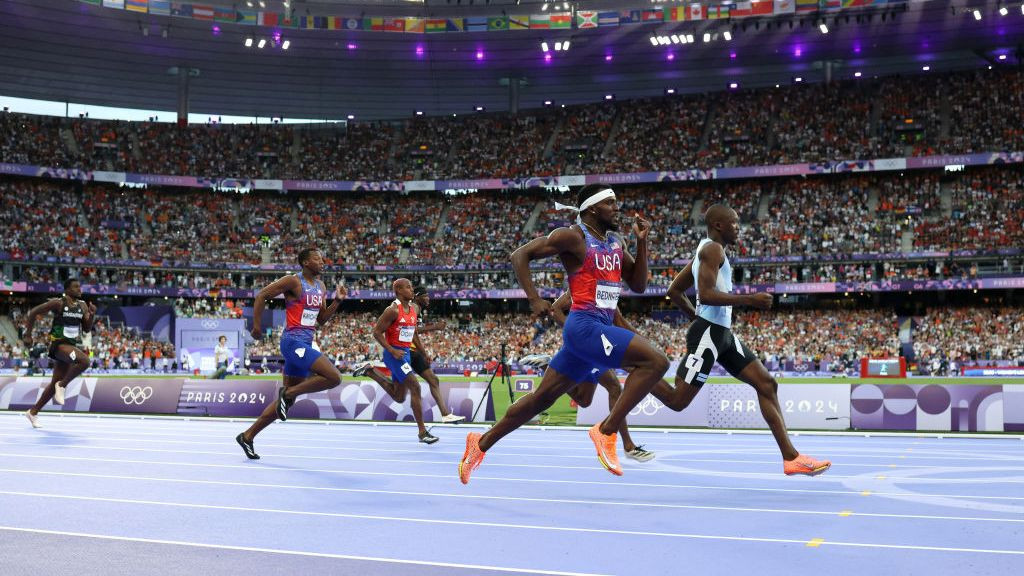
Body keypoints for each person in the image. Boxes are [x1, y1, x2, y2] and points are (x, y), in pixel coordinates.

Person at [459, 184, 669, 484]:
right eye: (610, 203)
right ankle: (606, 431)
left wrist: (642, 243)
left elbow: (638, 286)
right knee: (656, 362)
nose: (617, 208)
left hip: (599, 330)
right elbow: (520, 255)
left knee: (541, 400)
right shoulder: (573, 236)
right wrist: (534, 298)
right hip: (584, 326)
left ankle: (479, 445)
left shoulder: (616, 242)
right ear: (593, 208)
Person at [653, 204, 831, 476]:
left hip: (720, 335)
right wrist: (749, 300)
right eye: (735, 223)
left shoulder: (708, 251)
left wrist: (696, 317)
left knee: (767, 383)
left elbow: (674, 290)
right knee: (678, 401)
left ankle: (791, 457)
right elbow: (707, 293)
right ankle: (640, 372)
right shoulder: (712, 249)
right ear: (719, 225)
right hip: (710, 335)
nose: (739, 228)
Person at [235, 248, 345, 459]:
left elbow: (321, 319)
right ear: (305, 262)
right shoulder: (293, 281)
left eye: (323, 259)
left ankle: (247, 436)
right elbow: (262, 296)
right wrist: (256, 327)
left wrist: (337, 301)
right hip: (292, 342)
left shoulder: (321, 286)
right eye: (317, 259)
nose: (322, 262)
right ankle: (287, 394)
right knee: (333, 377)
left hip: (306, 342)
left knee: (289, 401)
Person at [522, 291, 655, 461]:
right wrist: (579, 336)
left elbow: (619, 321)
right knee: (614, 387)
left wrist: (645, 344)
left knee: (584, 400)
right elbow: (555, 309)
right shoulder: (584, 285)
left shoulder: (609, 290)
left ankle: (547, 364)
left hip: (602, 344)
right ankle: (628, 445)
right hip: (588, 346)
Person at [353, 286, 465, 423]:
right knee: (405, 392)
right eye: (425, 296)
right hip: (404, 352)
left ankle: (445, 414)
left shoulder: (415, 309)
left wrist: (423, 352)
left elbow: (413, 332)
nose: (428, 298)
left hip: (412, 352)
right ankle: (371, 372)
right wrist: (434, 328)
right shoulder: (412, 307)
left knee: (430, 381)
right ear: (417, 296)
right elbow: (412, 331)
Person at [363, 279, 438, 444]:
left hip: (405, 355)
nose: (412, 290)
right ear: (398, 290)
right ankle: (422, 432)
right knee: (416, 387)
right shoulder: (392, 310)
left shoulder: (412, 310)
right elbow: (376, 332)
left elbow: (413, 333)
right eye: (408, 287)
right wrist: (391, 350)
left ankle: (370, 372)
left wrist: (423, 352)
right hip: (394, 355)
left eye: (411, 287)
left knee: (399, 397)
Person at [20, 278, 95, 428]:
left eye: (80, 287)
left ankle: (33, 412)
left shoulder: (83, 306)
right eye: (75, 287)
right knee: (85, 361)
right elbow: (34, 312)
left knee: (53, 383)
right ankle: (62, 385)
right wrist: (28, 334)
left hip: (71, 346)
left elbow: (86, 329)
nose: (79, 289)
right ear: (67, 290)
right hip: (59, 345)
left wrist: (91, 315)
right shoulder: (59, 303)